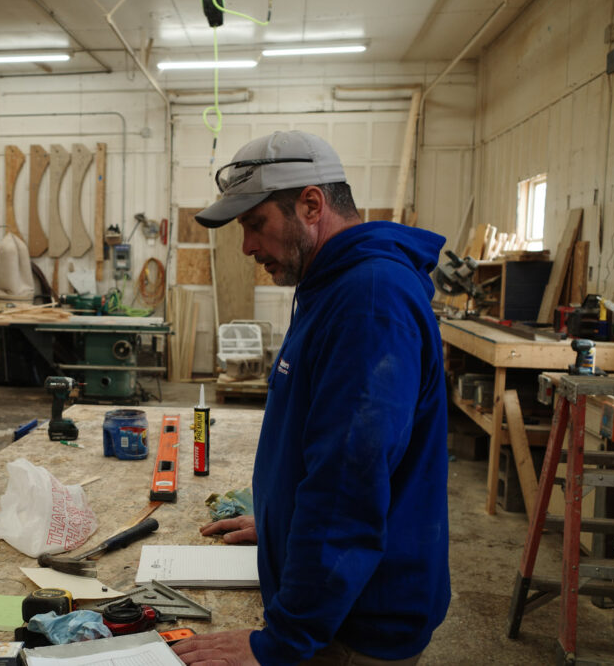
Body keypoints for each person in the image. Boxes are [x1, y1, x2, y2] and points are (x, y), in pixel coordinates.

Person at [172, 131, 450, 665]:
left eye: (256, 225)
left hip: (354, 622)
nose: (248, 247)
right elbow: (326, 443)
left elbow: (347, 487)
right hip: (339, 603)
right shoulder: (330, 285)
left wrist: (280, 643)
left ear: (311, 204)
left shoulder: (368, 300)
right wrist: (280, 521)